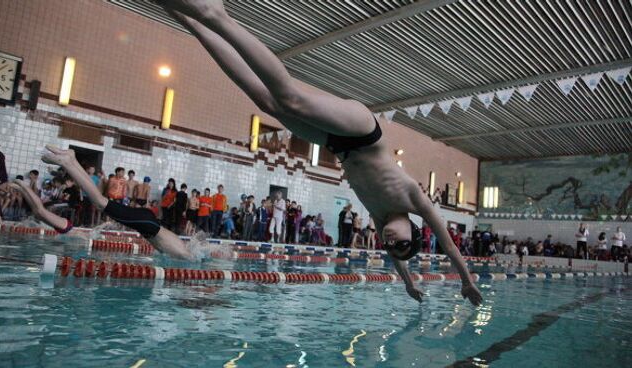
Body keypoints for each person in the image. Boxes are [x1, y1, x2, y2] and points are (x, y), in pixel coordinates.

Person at [160, 0, 480, 305]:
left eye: (391, 246)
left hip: (337, 144)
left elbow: (398, 259)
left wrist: (408, 283)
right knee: (290, 100)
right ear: (414, 229)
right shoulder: (415, 200)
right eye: (400, 241)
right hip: (363, 132)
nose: (390, 240)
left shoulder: (379, 218)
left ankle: (192, 22)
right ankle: (216, 15)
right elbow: (450, 246)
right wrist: (465, 280)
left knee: (266, 103)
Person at [11, 146, 191, 259]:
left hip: (148, 222)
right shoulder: (184, 255)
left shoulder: (182, 249)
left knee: (99, 202)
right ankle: (69, 162)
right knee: (99, 201)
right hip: (148, 224)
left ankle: (71, 160)